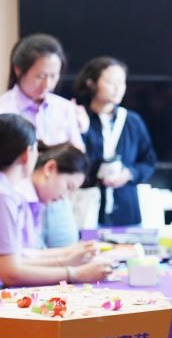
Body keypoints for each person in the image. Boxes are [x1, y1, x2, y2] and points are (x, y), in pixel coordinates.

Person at [0, 115, 111, 286]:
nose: (65, 197)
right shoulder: (5, 195)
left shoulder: (8, 193)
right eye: (69, 187)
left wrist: (67, 258)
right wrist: (76, 273)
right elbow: (11, 272)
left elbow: (20, 256)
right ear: (27, 154)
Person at [1, 34, 86, 247]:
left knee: (68, 252)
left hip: (56, 200)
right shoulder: (4, 108)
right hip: (17, 196)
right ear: (19, 70)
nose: (47, 83)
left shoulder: (63, 108)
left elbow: (77, 152)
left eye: (54, 76)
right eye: (40, 76)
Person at [76, 57, 157, 227]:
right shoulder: (79, 117)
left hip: (126, 208)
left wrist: (129, 174)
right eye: (110, 82)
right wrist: (83, 131)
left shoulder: (132, 121)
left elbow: (148, 161)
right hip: (87, 207)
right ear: (91, 83)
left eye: (121, 82)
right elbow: (71, 161)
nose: (118, 88)